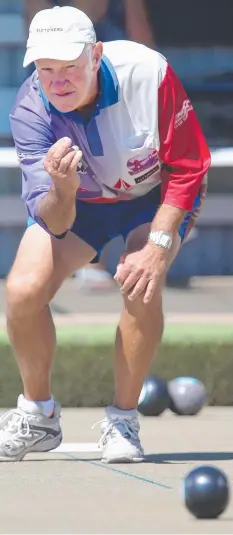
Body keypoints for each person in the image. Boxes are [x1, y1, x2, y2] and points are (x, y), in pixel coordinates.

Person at [1, 6, 210, 463]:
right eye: (45, 69)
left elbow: (191, 166)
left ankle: (123, 420)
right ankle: (38, 415)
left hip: (154, 195)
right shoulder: (30, 110)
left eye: (70, 67)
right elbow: (55, 222)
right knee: (21, 291)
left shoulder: (147, 72)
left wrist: (156, 247)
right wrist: (63, 188)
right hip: (81, 202)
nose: (57, 81)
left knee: (139, 280)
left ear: (95, 55)